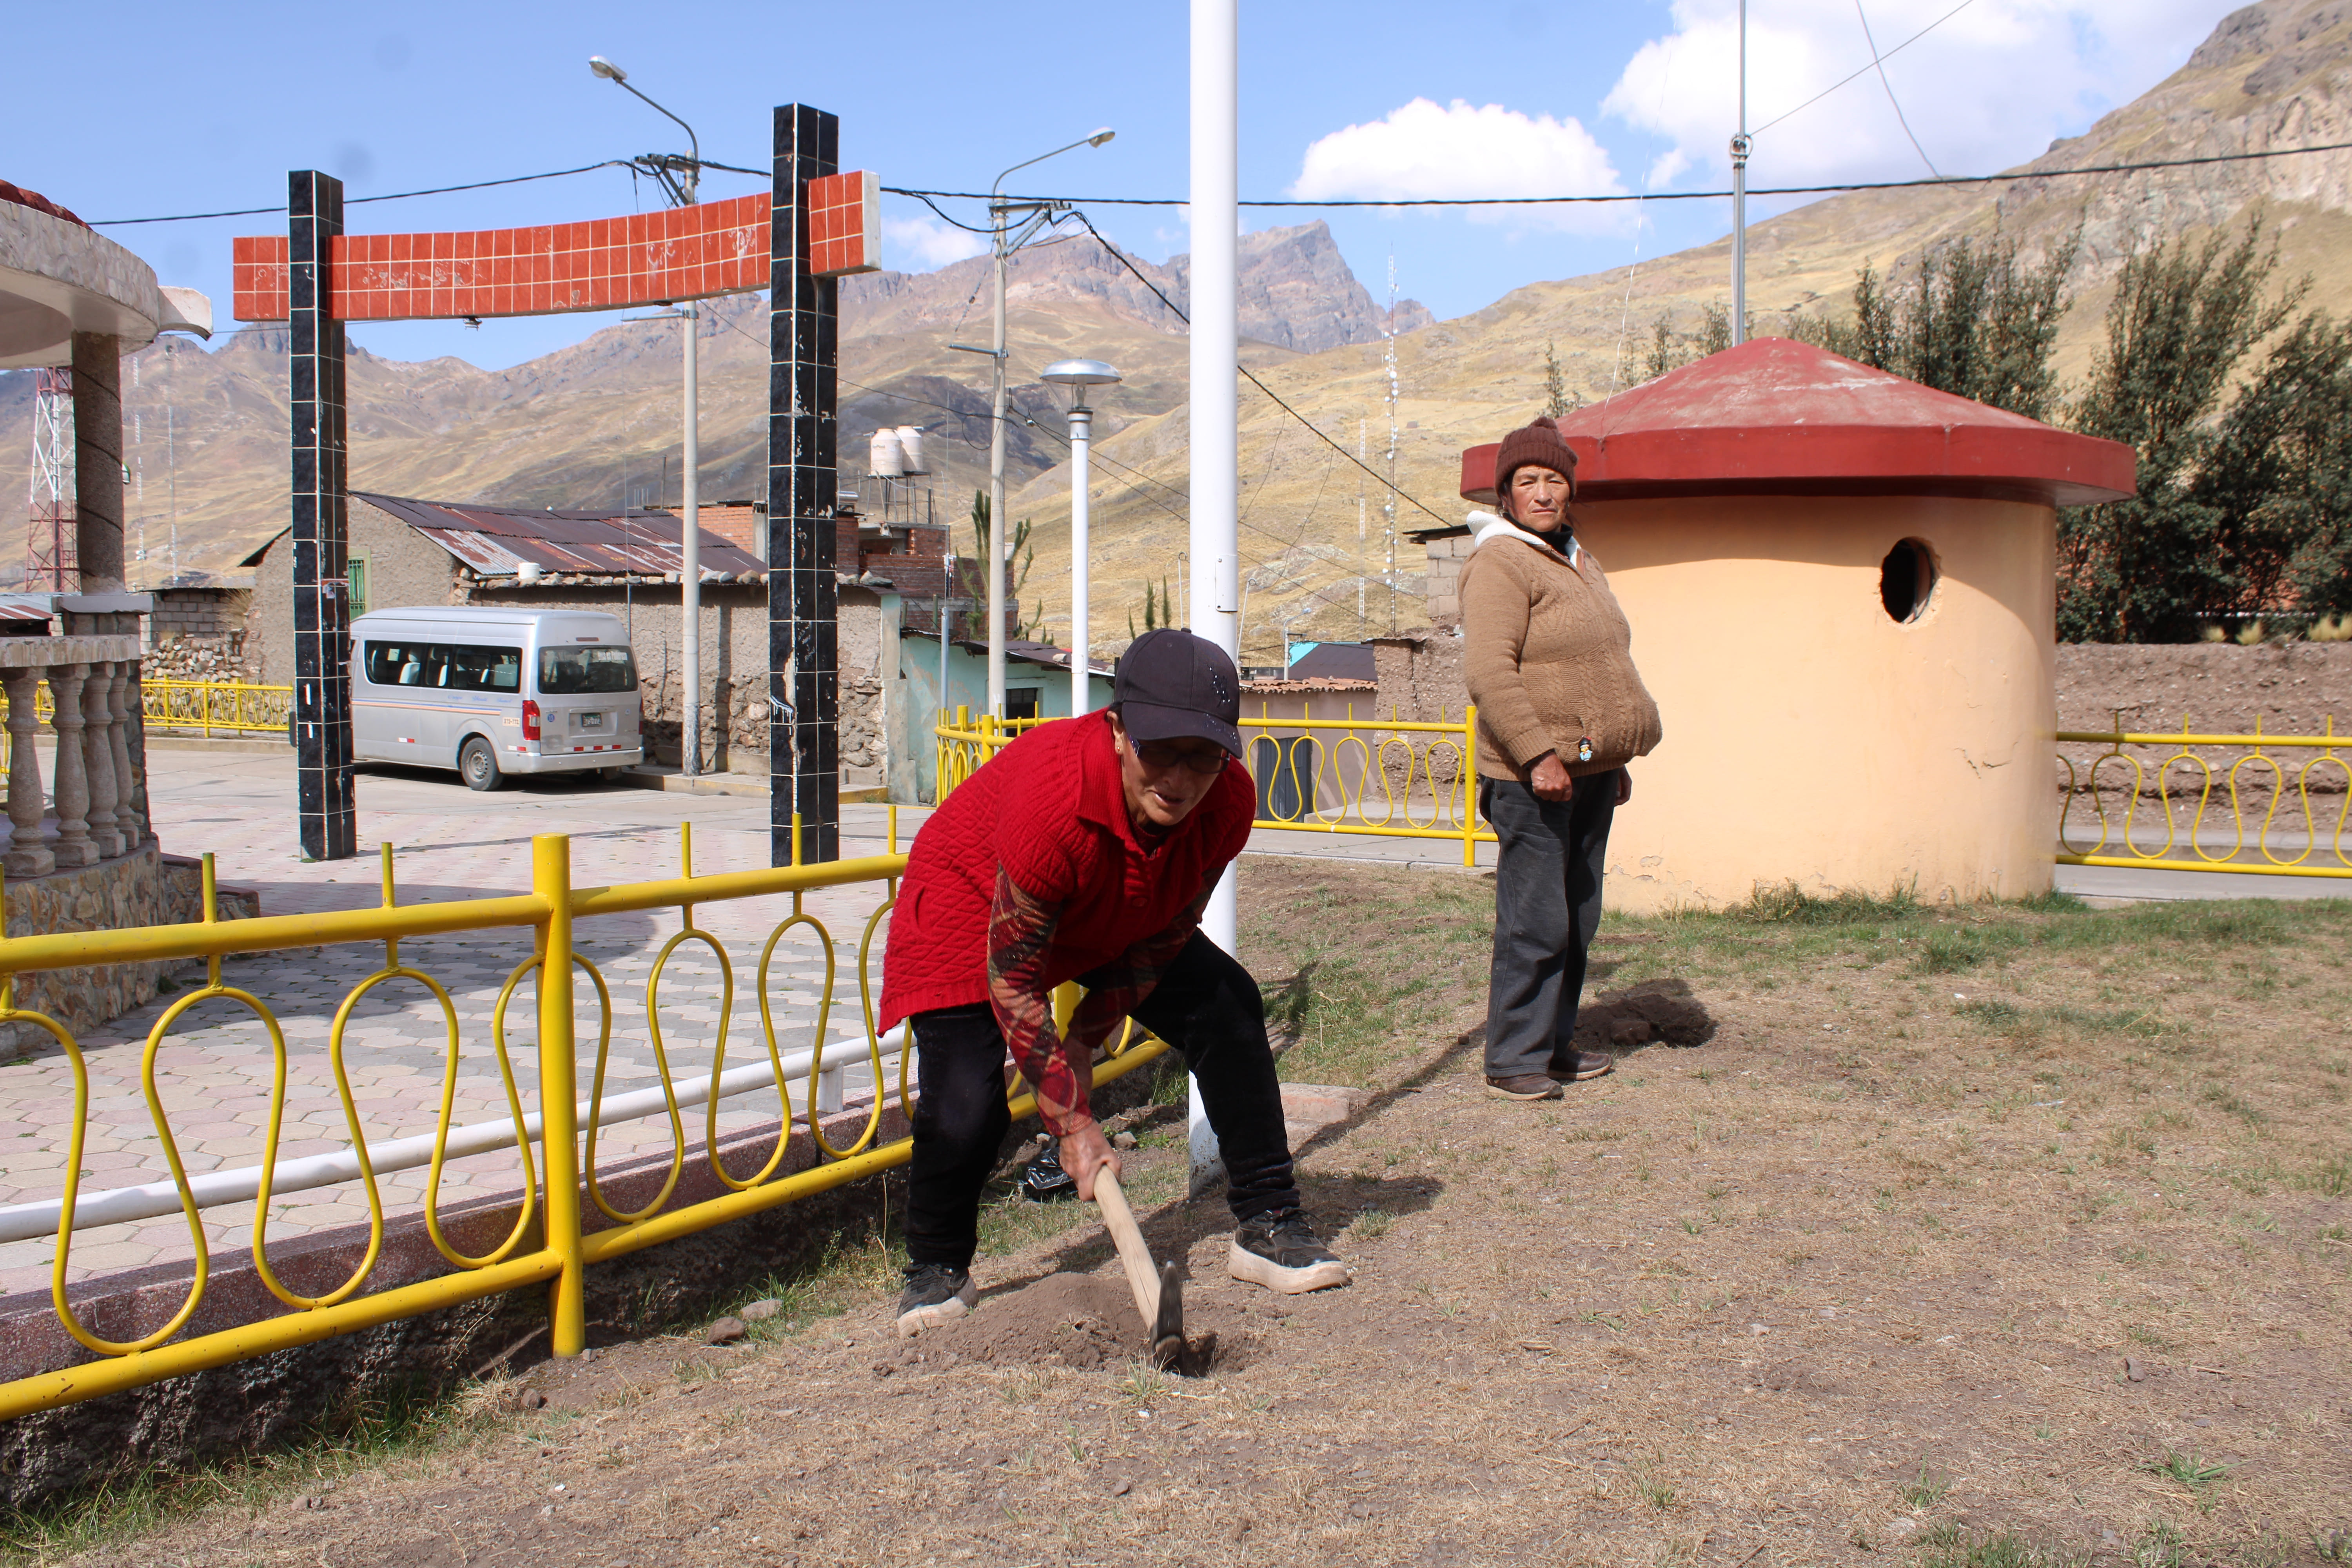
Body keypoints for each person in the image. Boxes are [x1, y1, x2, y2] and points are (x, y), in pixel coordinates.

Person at [879, 628, 1350, 1334]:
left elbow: (1165, 934)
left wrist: (1085, 1040)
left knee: (1225, 1006)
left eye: (1204, 758)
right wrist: (1071, 1122)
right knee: (967, 1100)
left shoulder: (1225, 807)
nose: (1180, 780)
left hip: (1106, 897)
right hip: (970, 897)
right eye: (1160, 751)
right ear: (1118, 729)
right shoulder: (1053, 799)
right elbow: (1014, 982)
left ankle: (1269, 1223)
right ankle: (936, 1268)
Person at [1459, 414, 1664, 1102]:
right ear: (1507, 496)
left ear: (1569, 491)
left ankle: (1553, 1043)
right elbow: (1489, 671)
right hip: (1532, 776)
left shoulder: (1577, 557)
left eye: (1554, 480)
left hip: (1589, 771)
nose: (1543, 493)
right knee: (1537, 916)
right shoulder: (1501, 561)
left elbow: (1598, 665)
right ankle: (1513, 1056)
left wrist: (1612, 756)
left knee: (1579, 912)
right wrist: (1538, 755)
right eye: (1528, 482)